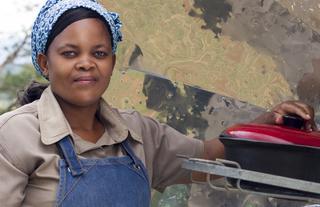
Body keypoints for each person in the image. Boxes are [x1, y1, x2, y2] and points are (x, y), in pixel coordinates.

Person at [0, 0, 316, 206]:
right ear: (44, 62)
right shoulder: (16, 135)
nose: (86, 63)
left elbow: (207, 156)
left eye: (99, 53)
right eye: (70, 53)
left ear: (112, 61)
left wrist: (266, 121)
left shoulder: (137, 132)